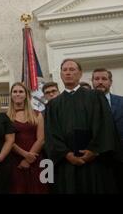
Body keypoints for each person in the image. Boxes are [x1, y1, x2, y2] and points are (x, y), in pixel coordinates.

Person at [44, 59, 121, 193]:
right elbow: (51, 133)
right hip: (67, 164)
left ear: (80, 74)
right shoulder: (53, 105)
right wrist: (67, 154)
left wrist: (93, 150)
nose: (68, 73)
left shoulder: (96, 96)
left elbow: (105, 126)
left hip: (95, 162)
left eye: (72, 69)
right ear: (61, 75)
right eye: (65, 70)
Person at [7, 82, 48, 194]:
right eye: (15, 92)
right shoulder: (5, 117)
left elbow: (41, 139)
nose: (18, 94)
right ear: (11, 95)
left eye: (21, 91)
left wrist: (28, 159)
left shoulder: (37, 114)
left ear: (26, 95)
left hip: (36, 159)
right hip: (16, 162)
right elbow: (8, 142)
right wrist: (25, 156)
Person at [91, 68, 123, 192]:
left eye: (104, 79)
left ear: (110, 82)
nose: (100, 82)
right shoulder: (84, 104)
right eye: (96, 79)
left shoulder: (121, 102)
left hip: (120, 157)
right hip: (96, 159)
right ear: (92, 82)